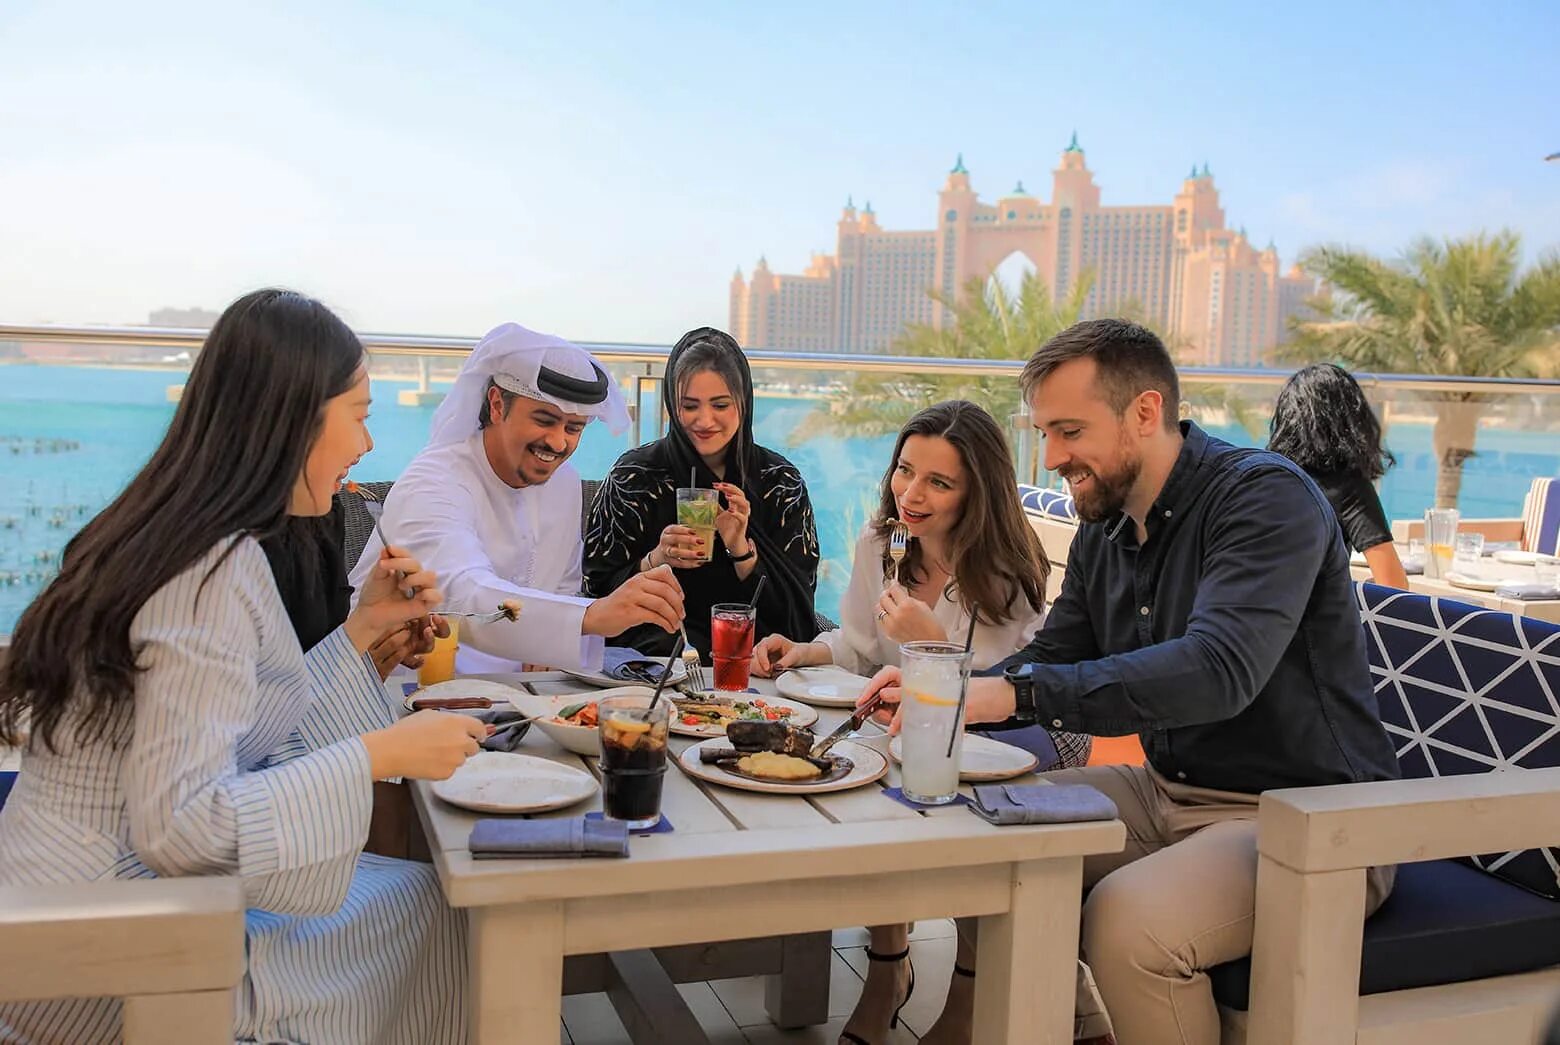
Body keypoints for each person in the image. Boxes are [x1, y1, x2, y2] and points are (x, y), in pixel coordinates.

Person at [857, 319, 1401, 1045]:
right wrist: (939, 679)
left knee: (1127, 922)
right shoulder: (1107, 533)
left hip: (1309, 818)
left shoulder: (1267, 501)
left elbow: (1219, 670)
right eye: (1044, 432)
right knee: (976, 832)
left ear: (1145, 412)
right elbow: (1049, 652)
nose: (1050, 457)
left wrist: (1008, 694)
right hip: (1166, 789)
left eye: (1069, 430)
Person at [0, 288, 486, 1044]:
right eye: (358, 413)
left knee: (424, 899)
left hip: (80, 898)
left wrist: (362, 630)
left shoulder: (181, 535)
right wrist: (378, 754)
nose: (366, 443)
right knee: (451, 916)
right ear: (294, 418)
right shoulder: (209, 573)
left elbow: (237, 739)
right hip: (109, 947)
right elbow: (185, 826)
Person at [750, 399, 1091, 1045]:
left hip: (1020, 725)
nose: (911, 492)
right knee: (867, 770)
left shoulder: (1005, 568)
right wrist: (803, 650)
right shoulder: (883, 544)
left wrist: (930, 639)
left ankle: (966, 990)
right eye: (906, 470)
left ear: (976, 492)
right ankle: (888, 965)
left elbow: (1008, 690)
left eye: (939, 481)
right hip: (919, 723)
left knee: (949, 788)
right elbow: (857, 648)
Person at [349, 322, 686, 673]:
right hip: (405, 695)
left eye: (574, 429)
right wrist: (594, 615)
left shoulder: (564, 483)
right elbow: (463, 592)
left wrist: (547, 650)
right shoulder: (434, 482)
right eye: (545, 420)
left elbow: (563, 589)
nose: (558, 443)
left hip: (522, 700)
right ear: (497, 405)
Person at [583, 327, 818, 658]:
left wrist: (740, 548)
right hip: (653, 662)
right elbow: (594, 595)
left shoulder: (780, 483)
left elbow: (798, 615)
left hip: (752, 662)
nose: (704, 421)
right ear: (671, 405)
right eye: (689, 406)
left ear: (743, 402)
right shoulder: (634, 477)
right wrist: (656, 559)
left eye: (720, 405)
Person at [1268, 362, 1409, 588]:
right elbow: (1394, 586)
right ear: (1353, 419)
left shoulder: (1264, 474)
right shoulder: (1348, 486)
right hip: (1312, 618)